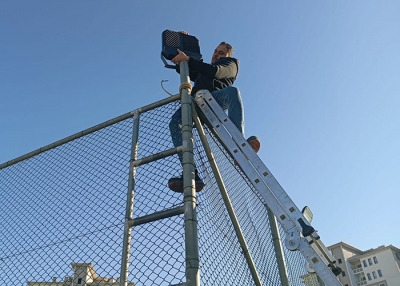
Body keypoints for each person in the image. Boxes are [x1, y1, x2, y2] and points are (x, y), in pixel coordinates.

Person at [168, 36, 260, 193]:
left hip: (215, 99)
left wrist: (189, 59)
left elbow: (215, 72)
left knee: (233, 92)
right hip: (196, 103)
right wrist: (182, 41)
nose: (216, 54)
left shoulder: (231, 65)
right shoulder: (204, 71)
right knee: (175, 123)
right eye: (215, 51)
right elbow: (188, 67)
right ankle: (190, 173)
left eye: (221, 53)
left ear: (228, 56)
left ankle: (239, 143)